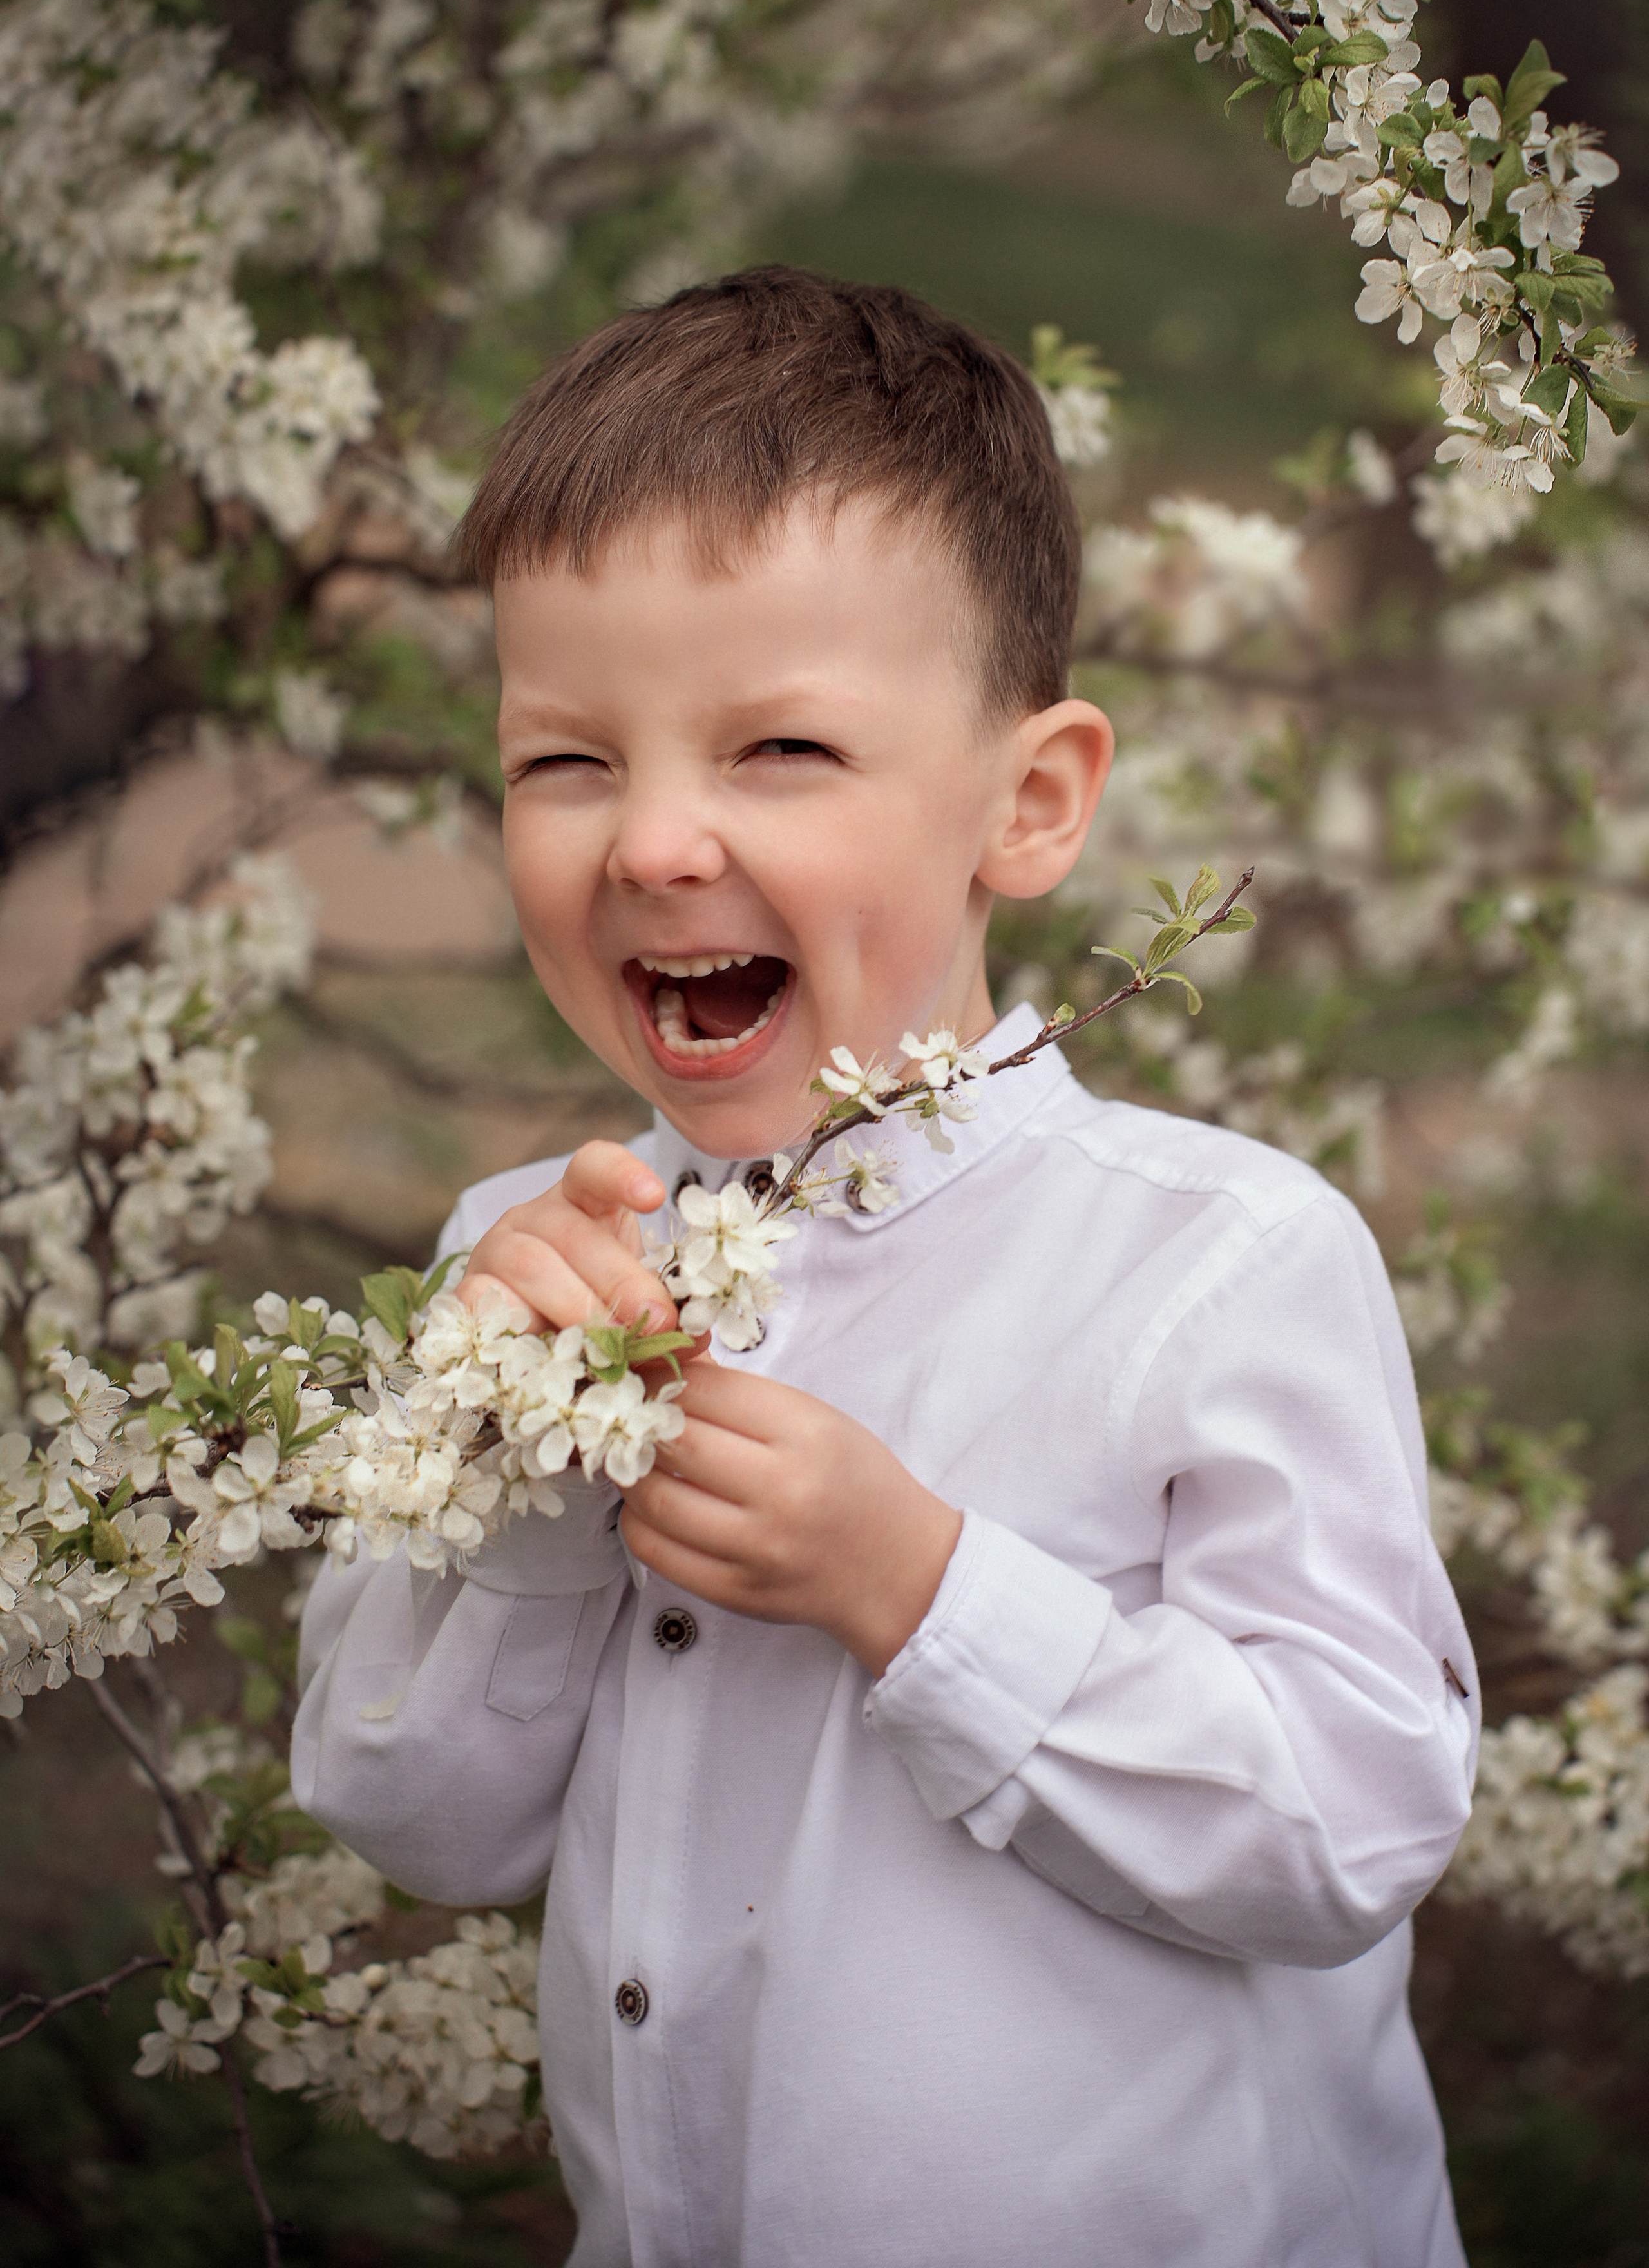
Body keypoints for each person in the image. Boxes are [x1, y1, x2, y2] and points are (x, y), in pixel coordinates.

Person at [292, 265, 1477, 2268]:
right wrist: (524, 1493)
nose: (656, 842)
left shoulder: (1218, 1266)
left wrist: (921, 1595)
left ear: (1028, 806)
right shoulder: (530, 1262)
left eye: (779, 754)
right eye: (567, 762)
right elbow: (415, 1820)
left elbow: (1347, 1823)